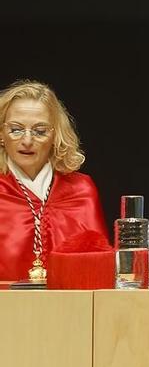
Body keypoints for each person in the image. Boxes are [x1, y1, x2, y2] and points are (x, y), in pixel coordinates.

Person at [1, 79, 110, 283]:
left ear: (55, 135)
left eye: (40, 131)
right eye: (15, 129)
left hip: (71, 309)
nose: (26, 140)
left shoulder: (80, 189)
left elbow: (99, 269)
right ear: (1, 133)